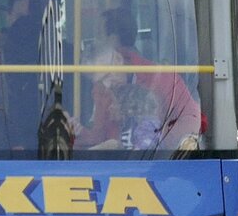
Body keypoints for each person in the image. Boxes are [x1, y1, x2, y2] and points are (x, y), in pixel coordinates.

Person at [74, 8, 202, 151]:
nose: (106, 85)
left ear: (118, 59)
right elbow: (98, 136)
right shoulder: (101, 88)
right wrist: (74, 131)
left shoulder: (162, 77)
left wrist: (155, 137)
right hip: (114, 160)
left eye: (107, 77)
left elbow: (191, 121)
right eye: (99, 81)